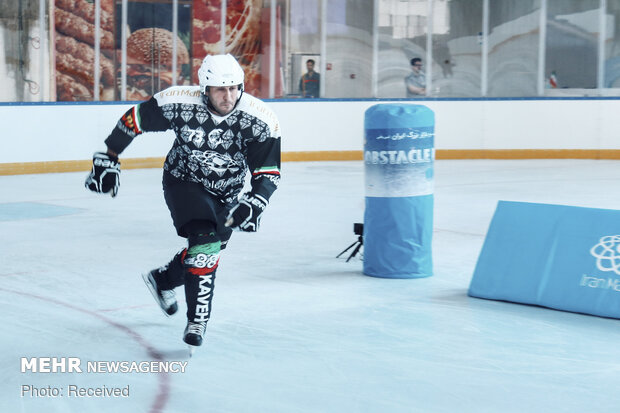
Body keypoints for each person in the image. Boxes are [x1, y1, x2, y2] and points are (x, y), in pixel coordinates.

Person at [85, 53, 281, 353]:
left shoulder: (259, 119)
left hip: (227, 192)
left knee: (209, 249)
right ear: (205, 89)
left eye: (234, 88)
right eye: (219, 89)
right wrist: (109, 156)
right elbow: (134, 119)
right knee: (204, 246)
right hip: (183, 182)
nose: (228, 97)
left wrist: (256, 201)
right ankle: (197, 322)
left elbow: (267, 171)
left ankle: (163, 280)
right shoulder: (178, 102)